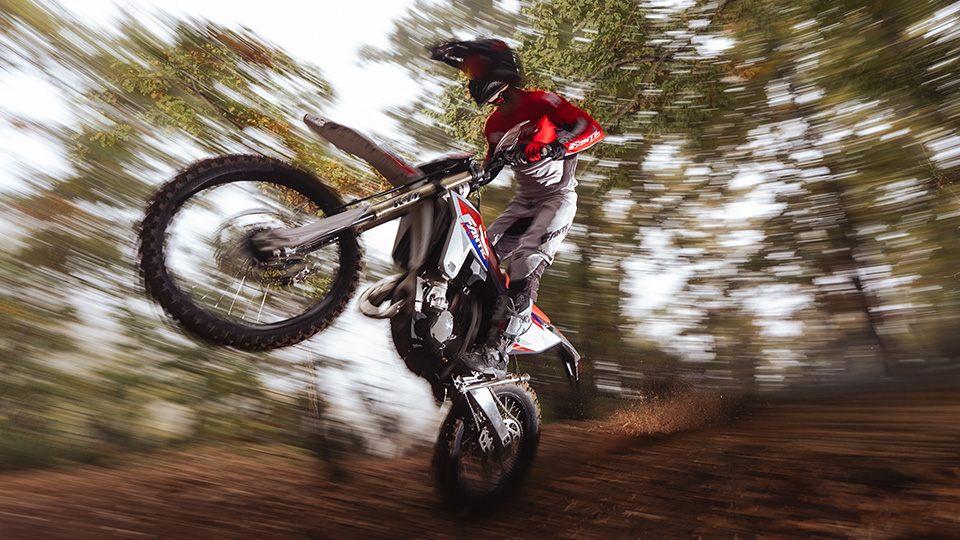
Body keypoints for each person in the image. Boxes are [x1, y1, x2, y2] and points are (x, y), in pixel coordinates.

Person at [430, 38, 603, 375]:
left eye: (475, 70)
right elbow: (489, 169)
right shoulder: (494, 125)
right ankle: (456, 331)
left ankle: (497, 353)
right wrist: (461, 176)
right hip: (523, 203)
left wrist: (557, 147)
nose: (472, 78)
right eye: (469, 72)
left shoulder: (541, 101)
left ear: (498, 68)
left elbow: (591, 130)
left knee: (525, 263)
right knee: (476, 254)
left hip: (557, 199)